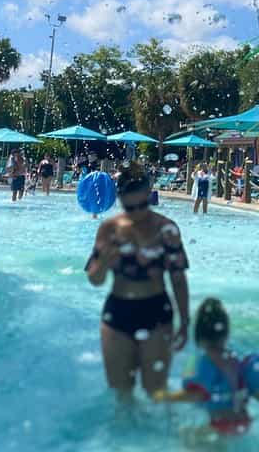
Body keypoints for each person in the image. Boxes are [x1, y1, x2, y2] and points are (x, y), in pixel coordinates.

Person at [85, 162, 190, 399]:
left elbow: (178, 279)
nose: (138, 213)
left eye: (143, 204)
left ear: (149, 193)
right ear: (120, 200)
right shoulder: (109, 229)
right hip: (117, 313)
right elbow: (95, 280)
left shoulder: (166, 230)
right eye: (130, 207)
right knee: (121, 392)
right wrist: (103, 262)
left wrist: (184, 321)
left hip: (156, 312)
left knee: (156, 392)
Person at [153, 298, 259, 436]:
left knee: (184, 436)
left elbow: (197, 394)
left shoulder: (205, 363)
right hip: (244, 421)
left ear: (198, 335)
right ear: (226, 333)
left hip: (221, 424)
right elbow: (251, 387)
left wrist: (167, 396)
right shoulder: (235, 359)